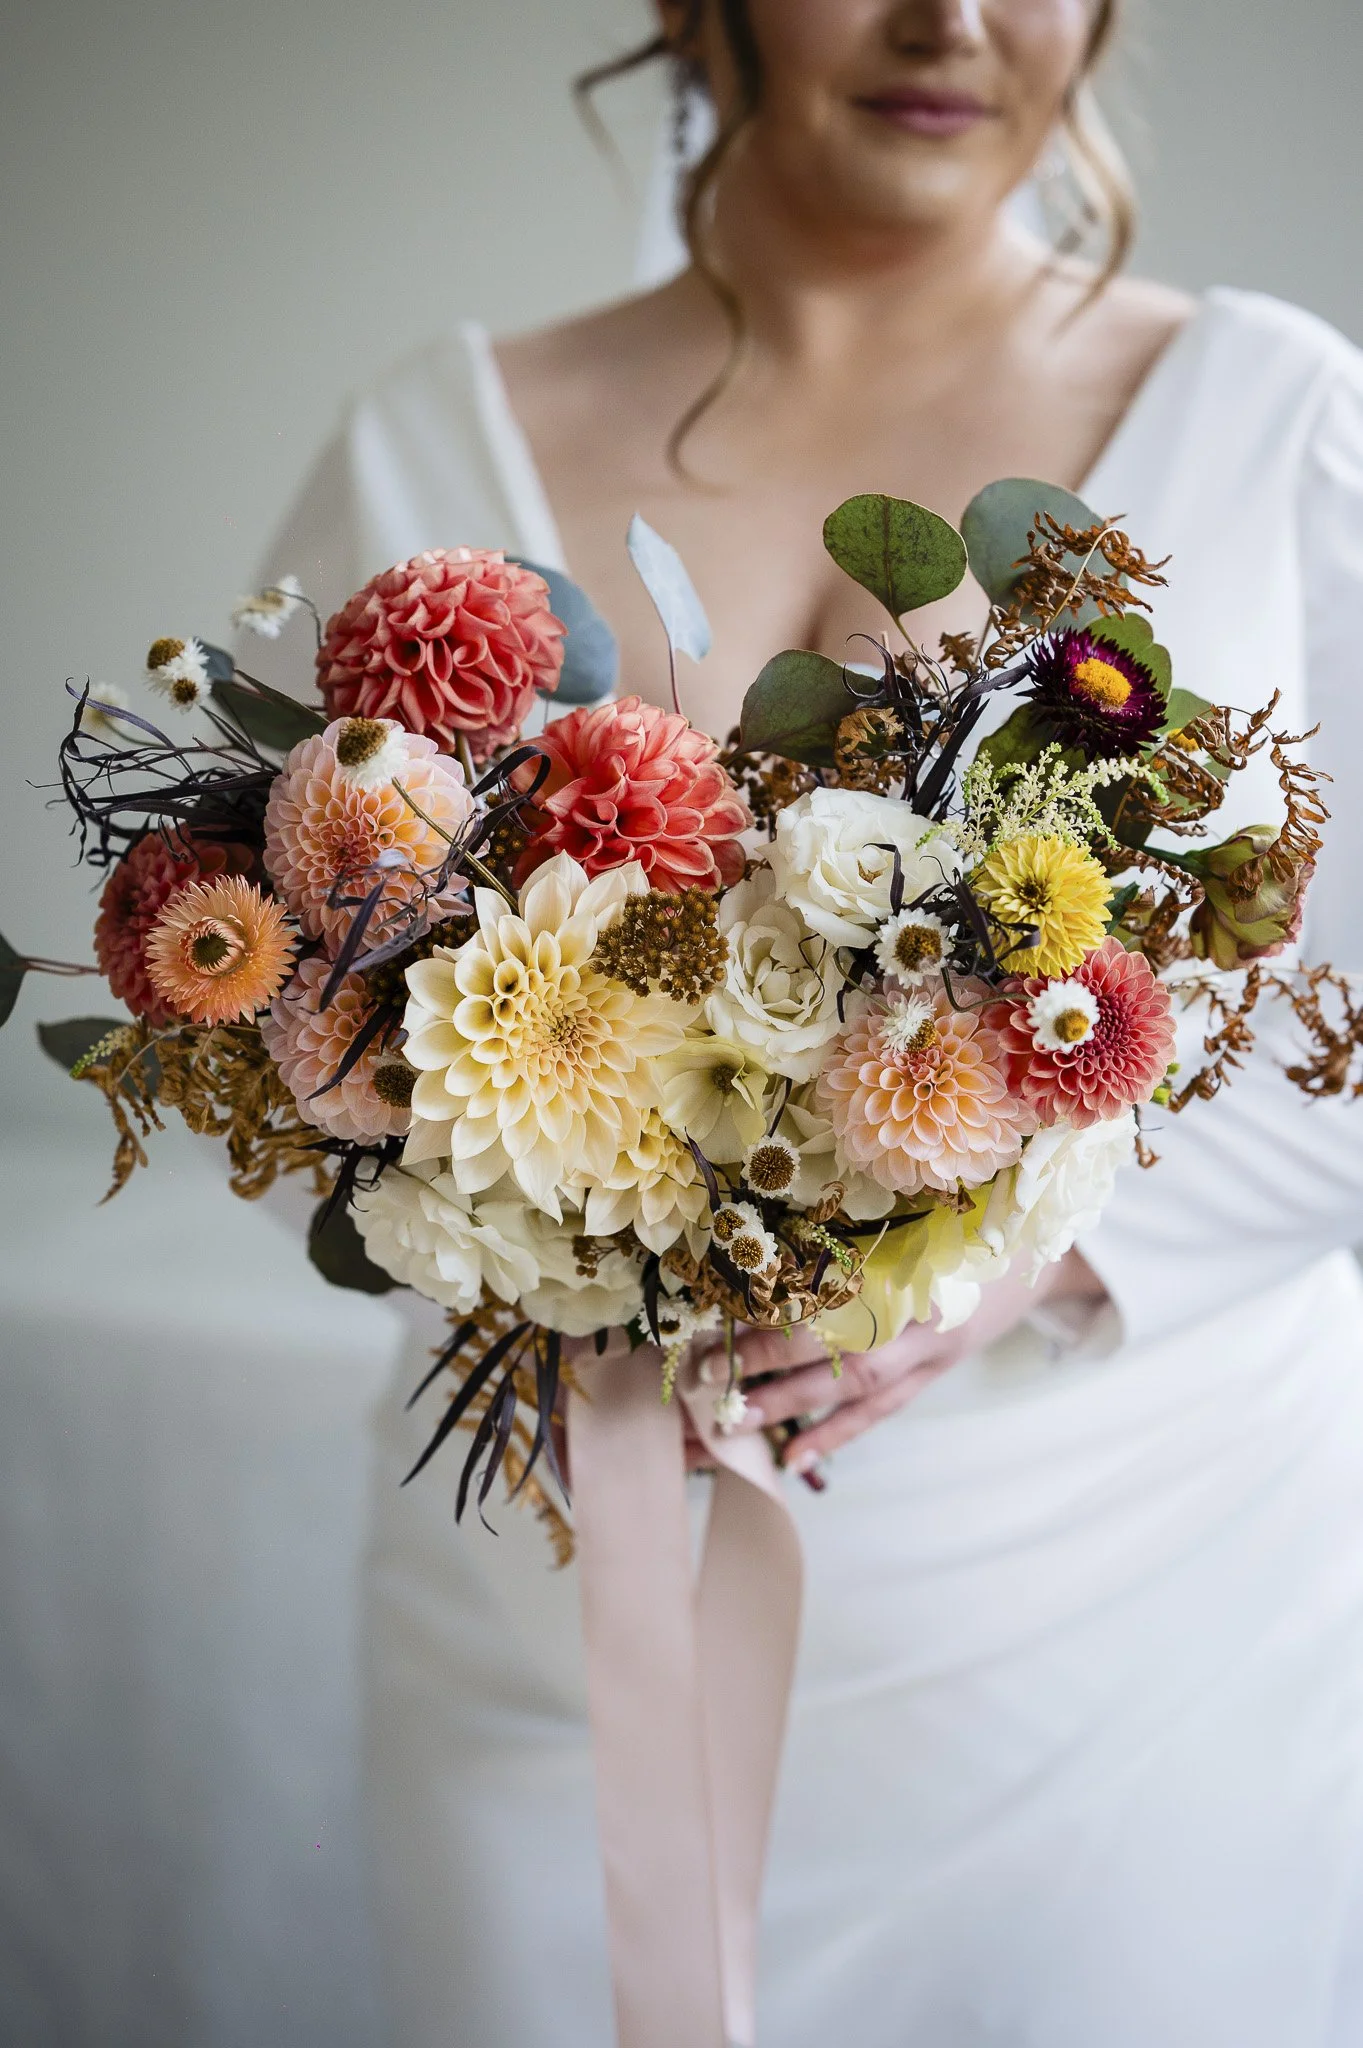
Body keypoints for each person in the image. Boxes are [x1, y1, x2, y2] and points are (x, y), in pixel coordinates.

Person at [249, 4, 1363, 2041]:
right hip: (553, 1628)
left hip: (1123, 1633)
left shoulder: (1280, 414)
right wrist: (526, 1199)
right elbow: (252, 1003)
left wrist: (1035, 1254)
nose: (952, 18)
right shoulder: (431, 441)